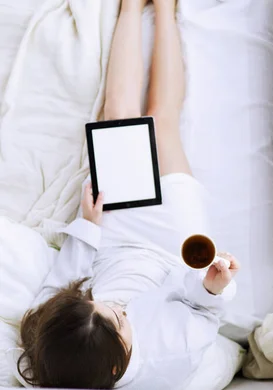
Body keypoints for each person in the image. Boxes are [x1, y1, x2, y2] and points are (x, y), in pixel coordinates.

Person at [16, 0, 240, 388]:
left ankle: (132, 8)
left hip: (116, 245)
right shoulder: (174, 355)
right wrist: (211, 287)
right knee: (161, 119)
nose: (118, 307)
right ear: (118, 366)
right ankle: (167, 11)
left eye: (97, 303)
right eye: (119, 317)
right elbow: (201, 310)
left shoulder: (55, 342)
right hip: (174, 249)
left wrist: (89, 226)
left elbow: (62, 282)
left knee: (117, 115)